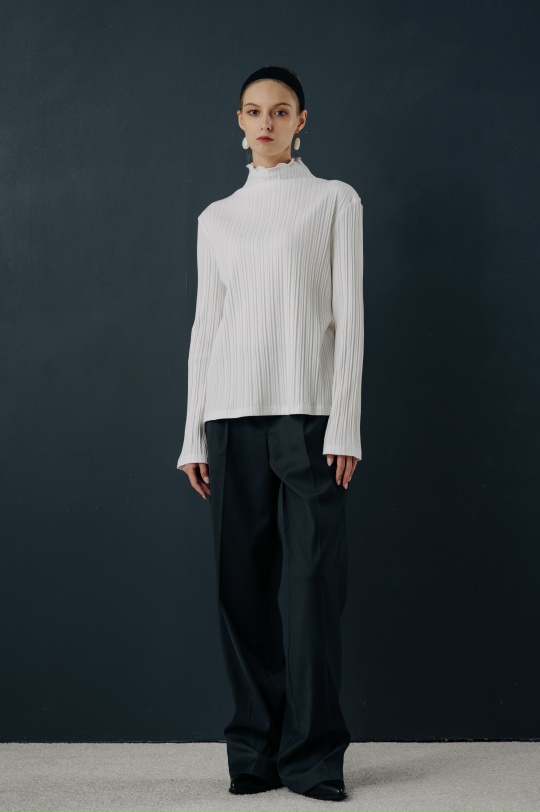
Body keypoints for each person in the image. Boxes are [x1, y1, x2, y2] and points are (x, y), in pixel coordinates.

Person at [177, 65, 364, 802]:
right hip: (229, 415)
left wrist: (346, 422)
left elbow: (350, 318)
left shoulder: (334, 200)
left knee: (313, 587)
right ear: (239, 120)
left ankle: (314, 756)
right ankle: (254, 748)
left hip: (308, 416)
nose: (266, 122)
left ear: (301, 121)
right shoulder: (216, 217)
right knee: (242, 588)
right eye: (254, 111)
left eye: (280, 111)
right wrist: (192, 435)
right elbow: (206, 329)